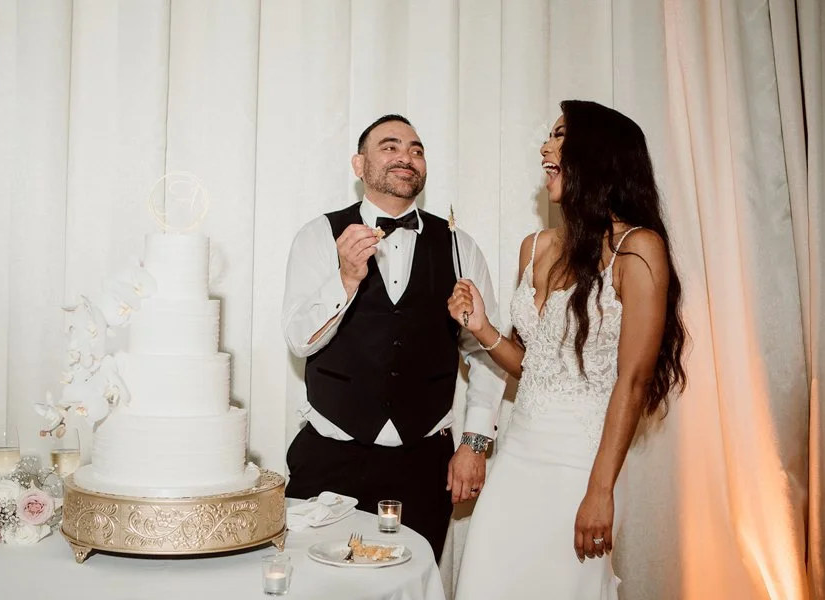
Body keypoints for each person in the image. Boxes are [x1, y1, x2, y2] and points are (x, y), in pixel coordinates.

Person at [451, 100, 687, 598]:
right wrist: (483, 327)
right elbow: (533, 367)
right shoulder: (534, 246)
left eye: (560, 136)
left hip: (581, 465)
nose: (545, 147)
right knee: (483, 581)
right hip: (518, 456)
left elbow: (634, 379)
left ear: (599, 155)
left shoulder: (639, 249)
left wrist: (600, 490)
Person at [282, 114, 507, 561]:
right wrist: (346, 278)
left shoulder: (460, 245)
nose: (406, 156)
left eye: (417, 149)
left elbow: (487, 350)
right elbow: (298, 340)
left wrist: (475, 442)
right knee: (315, 587)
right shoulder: (318, 236)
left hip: (425, 463)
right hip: (330, 455)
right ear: (358, 164)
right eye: (389, 146)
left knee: (406, 586)